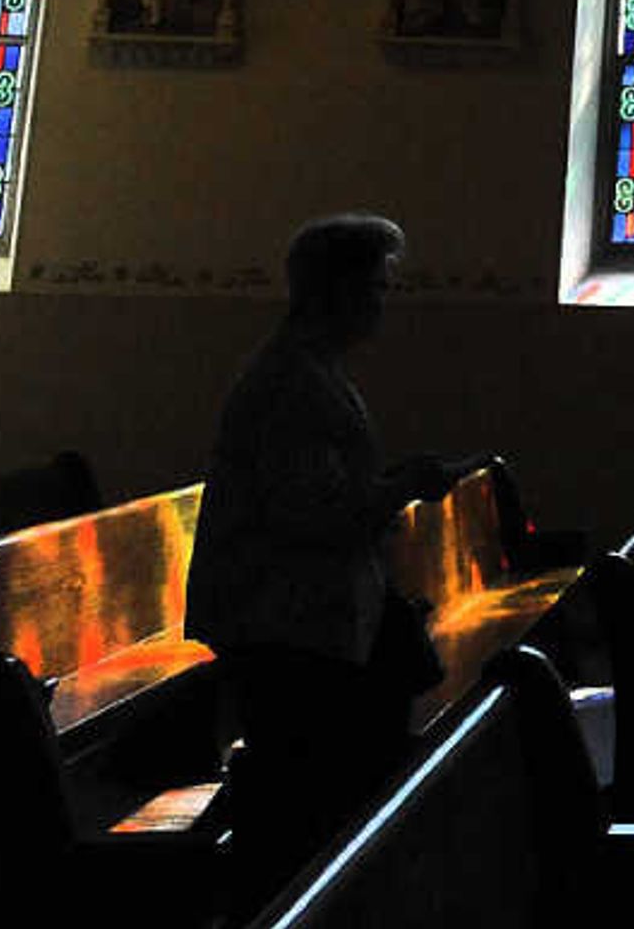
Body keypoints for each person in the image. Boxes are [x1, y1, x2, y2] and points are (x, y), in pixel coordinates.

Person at [185, 212, 456, 897]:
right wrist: (401, 489)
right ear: (333, 290)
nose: (382, 304)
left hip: (310, 621)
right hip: (286, 626)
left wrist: (389, 489)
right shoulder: (290, 384)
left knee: (317, 798)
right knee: (303, 812)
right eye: (375, 288)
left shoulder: (312, 370)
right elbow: (309, 517)